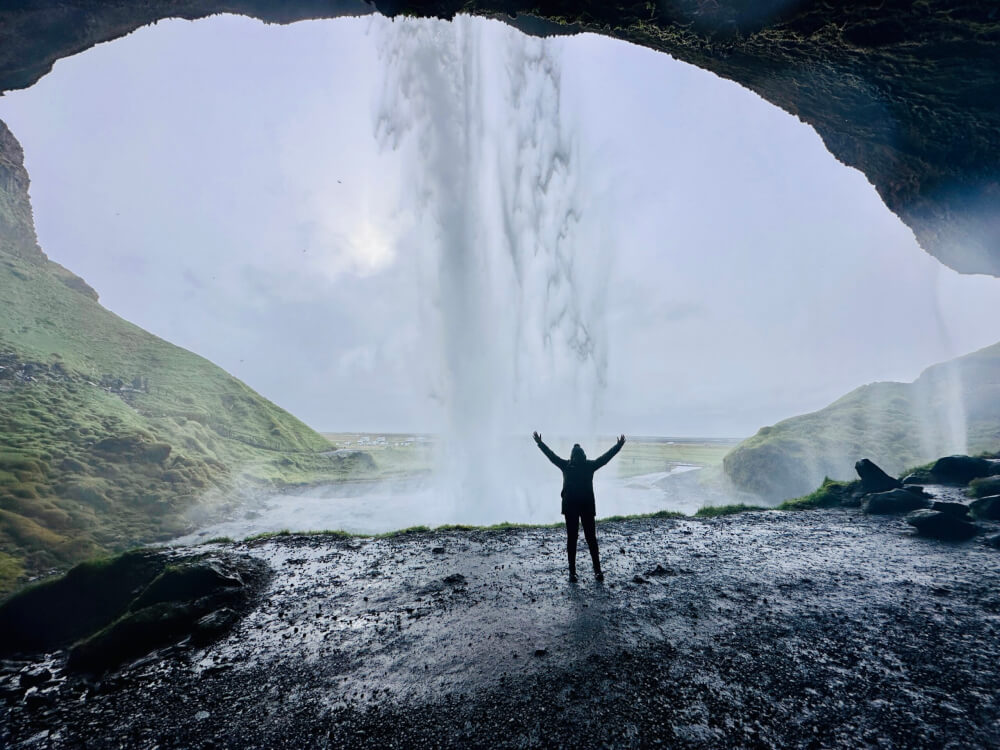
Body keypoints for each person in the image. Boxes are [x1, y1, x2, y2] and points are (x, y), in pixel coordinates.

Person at [532, 431, 626, 582]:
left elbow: (551, 456)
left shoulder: (566, 465)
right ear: (583, 455)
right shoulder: (589, 466)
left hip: (570, 507)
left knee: (572, 539)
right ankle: (597, 571)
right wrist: (619, 446)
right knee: (591, 539)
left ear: (572, 456)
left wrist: (540, 443)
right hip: (587, 507)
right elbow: (605, 458)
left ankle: (573, 572)